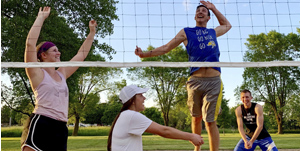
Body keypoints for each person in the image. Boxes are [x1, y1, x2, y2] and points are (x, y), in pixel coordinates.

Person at [135, 1, 231, 151]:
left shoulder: (213, 32)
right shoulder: (186, 32)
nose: (200, 12)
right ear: (194, 16)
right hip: (195, 80)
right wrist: (144, 54)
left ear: (208, 17)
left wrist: (213, 8)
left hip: (213, 81)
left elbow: (227, 25)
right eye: (198, 10)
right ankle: (197, 148)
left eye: (204, 11)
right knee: (196, 117)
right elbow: (166, 48)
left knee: (210, 120)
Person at [21, 6, 97, 151]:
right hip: (42, 122)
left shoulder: (62, 73)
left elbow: (81, 55)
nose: (59, 53)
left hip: (61, 127)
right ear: (43, 55)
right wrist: (41, 17)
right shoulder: (36, 72)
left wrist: (91, 33)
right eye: (54, 50)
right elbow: (30, 44)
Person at [107, 85, 204, 151]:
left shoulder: (125, 115)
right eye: (140, 95)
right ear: (132, 100)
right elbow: (164, 131)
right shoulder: (131, 116)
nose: (144, 98)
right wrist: (191, 136)